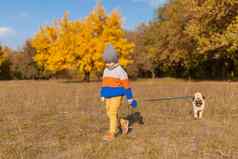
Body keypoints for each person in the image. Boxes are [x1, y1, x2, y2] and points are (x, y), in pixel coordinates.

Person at [100, 44, 137, 142]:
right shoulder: (106, 70)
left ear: (115, 60)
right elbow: (104, 83)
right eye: (106, 62)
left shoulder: (121, 71)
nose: (108, 64)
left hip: (117, 96)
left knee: (112, 112)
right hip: (108, 96)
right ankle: (123, 122)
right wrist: (103, 94)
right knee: (109, 113)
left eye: (110, 62)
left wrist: (130, 99)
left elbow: (126, 86)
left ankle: (111, 133)